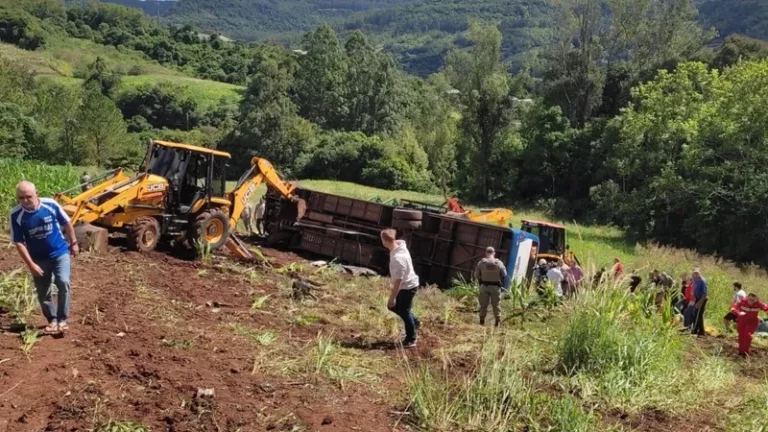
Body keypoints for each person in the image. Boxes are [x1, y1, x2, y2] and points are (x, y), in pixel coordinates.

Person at [10, 181, 79, 333]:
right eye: (21, 198)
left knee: (63, 281)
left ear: (37, 194)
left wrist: (73, 242)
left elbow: (66, 222)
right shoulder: (16, 214)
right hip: (38, 258)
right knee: (43, 291)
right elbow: (19, 242)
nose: (25, 201)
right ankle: (52, 319)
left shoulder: (50, 205)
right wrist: (31, 265)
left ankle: (62, 319)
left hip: (59, 252)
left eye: (28, 197)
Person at [381, 229, 420, 348]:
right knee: (400, 309)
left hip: (407, 287)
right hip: (408, 284)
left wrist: (392, 298)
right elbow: (396, 241)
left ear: (385, 241)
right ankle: (415, 322)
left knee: (402, 310)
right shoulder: (400, 245)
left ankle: (411, 339)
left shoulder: (398, 258)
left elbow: (398, 281)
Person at [474, 246, 507, 327]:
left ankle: (482, 321)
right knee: (496, 305)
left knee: (483, 304)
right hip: (495, 287)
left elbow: (476, 276)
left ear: (486, 253)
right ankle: (497, 322)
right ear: (494, 253)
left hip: (484, 286)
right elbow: (504, 274)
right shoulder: (499, 263)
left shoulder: (481, 263)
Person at [691, 268, 708, 336]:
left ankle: (699, 331)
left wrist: (699, 302)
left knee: (698, 315)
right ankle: (698, 330)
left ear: (700, 273)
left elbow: (704, 293)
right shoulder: (695, 280)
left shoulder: (702, 281)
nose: (695, 274)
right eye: (694, 273)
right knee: (695, 314)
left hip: (702, 299)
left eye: (697, 273)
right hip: (697, 298)